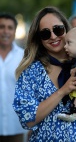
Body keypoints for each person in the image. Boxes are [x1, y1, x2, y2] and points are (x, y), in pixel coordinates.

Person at [12, 6, 76, 142]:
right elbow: (27, 119)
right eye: (45, 33)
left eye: (58, 29)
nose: (53, 36)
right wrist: (63, 91)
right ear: (39, 39)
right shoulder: (32, 71)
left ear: (67, 30)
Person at [0, 13, 25, 142]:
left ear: (15, 31)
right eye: (2, 27)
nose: (5, 31)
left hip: (16, 127)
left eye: (10, 28)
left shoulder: (23, 58)